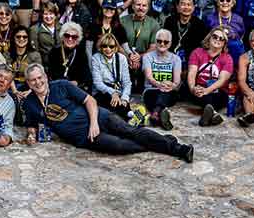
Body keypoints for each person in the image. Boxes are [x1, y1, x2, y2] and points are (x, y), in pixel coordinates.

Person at [22, 64, 193, 161]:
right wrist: (31, 134)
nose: (38, 83)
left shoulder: (61, 86)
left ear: (45, 76)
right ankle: (161, 141)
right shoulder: (30, 103)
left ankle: (178, 149)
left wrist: (94, 123)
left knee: (130, 131)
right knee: (119, 146)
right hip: (83, 137)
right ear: (28, 84)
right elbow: (32, 124)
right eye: (33, 80)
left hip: (99, 118)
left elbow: (90, 100)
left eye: (40, 78)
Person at [185, 28, 233, 126]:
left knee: (215, 96)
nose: (217, 40)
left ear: (224, 43)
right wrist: (193, 88)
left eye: (221, 39)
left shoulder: (227, 58)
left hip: (217, 90)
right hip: (199, 88)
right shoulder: (197, 52)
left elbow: (222, 80)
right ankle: (213, 114)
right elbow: (192, 73)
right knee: (199, 93)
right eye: (215, 36)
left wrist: (207, 90)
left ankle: (208, 113)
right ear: (209, 38)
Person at [140, 29, 182, 129]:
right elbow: (149, 77)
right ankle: (160, 114)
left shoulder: (176, 59)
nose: (162, 44)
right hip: (151, 90)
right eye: (159, 41)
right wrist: (159, 84)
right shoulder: (147, 57)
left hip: (169, 91)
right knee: (151, 95)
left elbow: (177, 81)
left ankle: (155, 115)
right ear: (155, 42)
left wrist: (171, 85)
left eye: (165, 42)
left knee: (167, 94)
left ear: (170, 43)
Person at [89, 33, 133, 118]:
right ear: (101, 47)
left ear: (116, 47)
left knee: (120, 104)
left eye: (111, 46)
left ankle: (127, 114)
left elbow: (127, 82)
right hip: (102, 92)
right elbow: (97, 83)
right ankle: (128, 115)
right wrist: (112, 92)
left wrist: (124, 98)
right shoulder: (96, 58)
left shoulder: (121, 58)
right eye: (105, 46)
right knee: (111, 105)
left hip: (118, 91)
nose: (108, 49)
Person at [45, 21, 93, 90]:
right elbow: (50, 74)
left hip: (76, 88)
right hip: (58, 87)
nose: (70, 39)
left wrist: (77, 82)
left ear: (78, 39)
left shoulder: (81, 53)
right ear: (62, 36)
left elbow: (86, 75)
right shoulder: (54, 52)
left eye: (74, 37)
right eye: (67, 35)